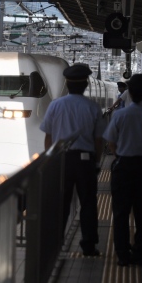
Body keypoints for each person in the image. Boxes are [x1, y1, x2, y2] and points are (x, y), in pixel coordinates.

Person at [39, 63, 106, 257]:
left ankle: (56, 243)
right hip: (85, 161)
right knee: (88, 203)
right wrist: (96, 162)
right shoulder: (93, 107)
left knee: (61, 203)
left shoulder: (56, 105)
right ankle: (88, 245)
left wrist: (51, 160)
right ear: (86, 84)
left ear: (67, 84)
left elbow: (48, 137)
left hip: (61, 160)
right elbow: (98, 139)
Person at [102, 74, 142, 266]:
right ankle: (140, 254)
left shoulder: (119, 115)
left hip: (123, 167)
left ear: (130, 92)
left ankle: (123, 255)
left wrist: (119, 155)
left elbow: (111, 142)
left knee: (120, 213)